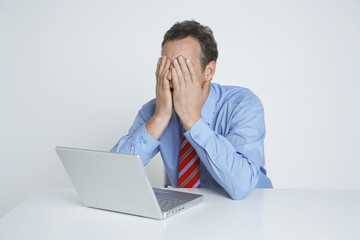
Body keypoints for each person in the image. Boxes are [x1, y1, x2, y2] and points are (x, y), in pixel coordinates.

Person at [111, 20, 272, 200]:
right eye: (167, 66)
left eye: (182, 67)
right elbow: (112, 175)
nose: (171, 76)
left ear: (209, 71)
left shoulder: (242, 104)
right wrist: (160, 117)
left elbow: (242, 186)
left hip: (250, 209)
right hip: (187, 213)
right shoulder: (154, 110)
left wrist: (193, 120)